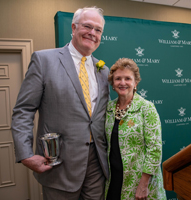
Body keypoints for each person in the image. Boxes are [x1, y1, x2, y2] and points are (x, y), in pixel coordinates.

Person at [11, 7, 109, 200]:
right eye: (87, 26)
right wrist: (26, 154)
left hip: (97, 164)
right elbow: (24, 110)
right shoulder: (44, 60)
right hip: (59, 165)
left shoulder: (103, 71)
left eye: (98, 30)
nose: (92, 33)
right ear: (73, 27)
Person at [105, 58, 166, 200]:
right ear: (112, 84)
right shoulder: (108, 108)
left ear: (135, 83)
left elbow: (155, 150)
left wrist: (143, 185)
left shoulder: (147, 108)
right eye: (118, 79)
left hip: (140, 182)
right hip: (113, 181)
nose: (122, 83)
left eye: (128, 78)